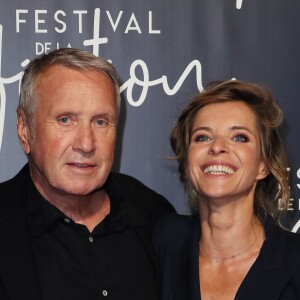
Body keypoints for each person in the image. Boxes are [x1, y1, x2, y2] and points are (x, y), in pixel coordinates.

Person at [0, 48, 174, 300]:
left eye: (100, 122)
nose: (86, 144)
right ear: (24, 129)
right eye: (65, 120)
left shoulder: (153, 215)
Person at [153, 80, 300, 300]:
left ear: (263, 165)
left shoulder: (294, 259)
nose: (217, 146)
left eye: (239, 137)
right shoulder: (164, 241)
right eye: (202, 137)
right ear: (186, 161)